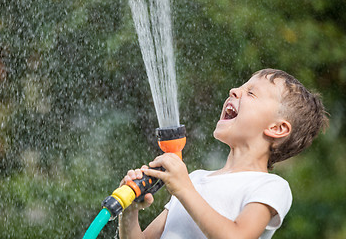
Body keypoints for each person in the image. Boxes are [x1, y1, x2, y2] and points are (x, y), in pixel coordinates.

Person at [118, 68, 329, 239]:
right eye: (241, 87)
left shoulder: (270, 187)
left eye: (251, 93)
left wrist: (183, 188)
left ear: (277, 128)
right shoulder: (195, 179)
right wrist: (129, 210)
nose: (234, 91)